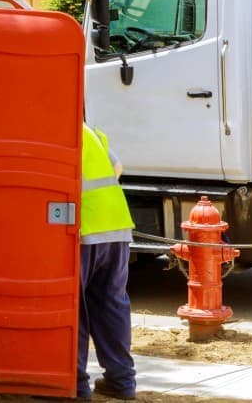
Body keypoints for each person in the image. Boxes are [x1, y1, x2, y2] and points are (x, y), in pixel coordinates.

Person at [78, 122, 137, 400]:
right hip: (116, 224)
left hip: (83, 228)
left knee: (73, 308)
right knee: (112, 304)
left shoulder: (55, 129)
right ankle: (121, 381)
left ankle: (75, 383)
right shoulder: (90, 130)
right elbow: (117, 167)